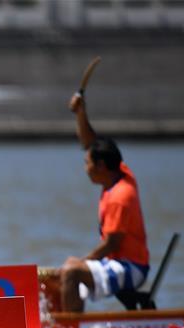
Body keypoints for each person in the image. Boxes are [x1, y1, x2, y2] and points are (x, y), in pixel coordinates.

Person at [59, 93, 149, 312]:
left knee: (71, 271)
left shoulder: (121, 196)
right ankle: (72, 327)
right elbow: (90, 142)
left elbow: (112, 244)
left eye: (87, 164)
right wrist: (81, 112)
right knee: (65, 269)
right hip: (118, 262)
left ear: (100, 166)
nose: (85, 168)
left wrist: (82, 262)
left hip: (132, 267)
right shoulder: (121, 172)